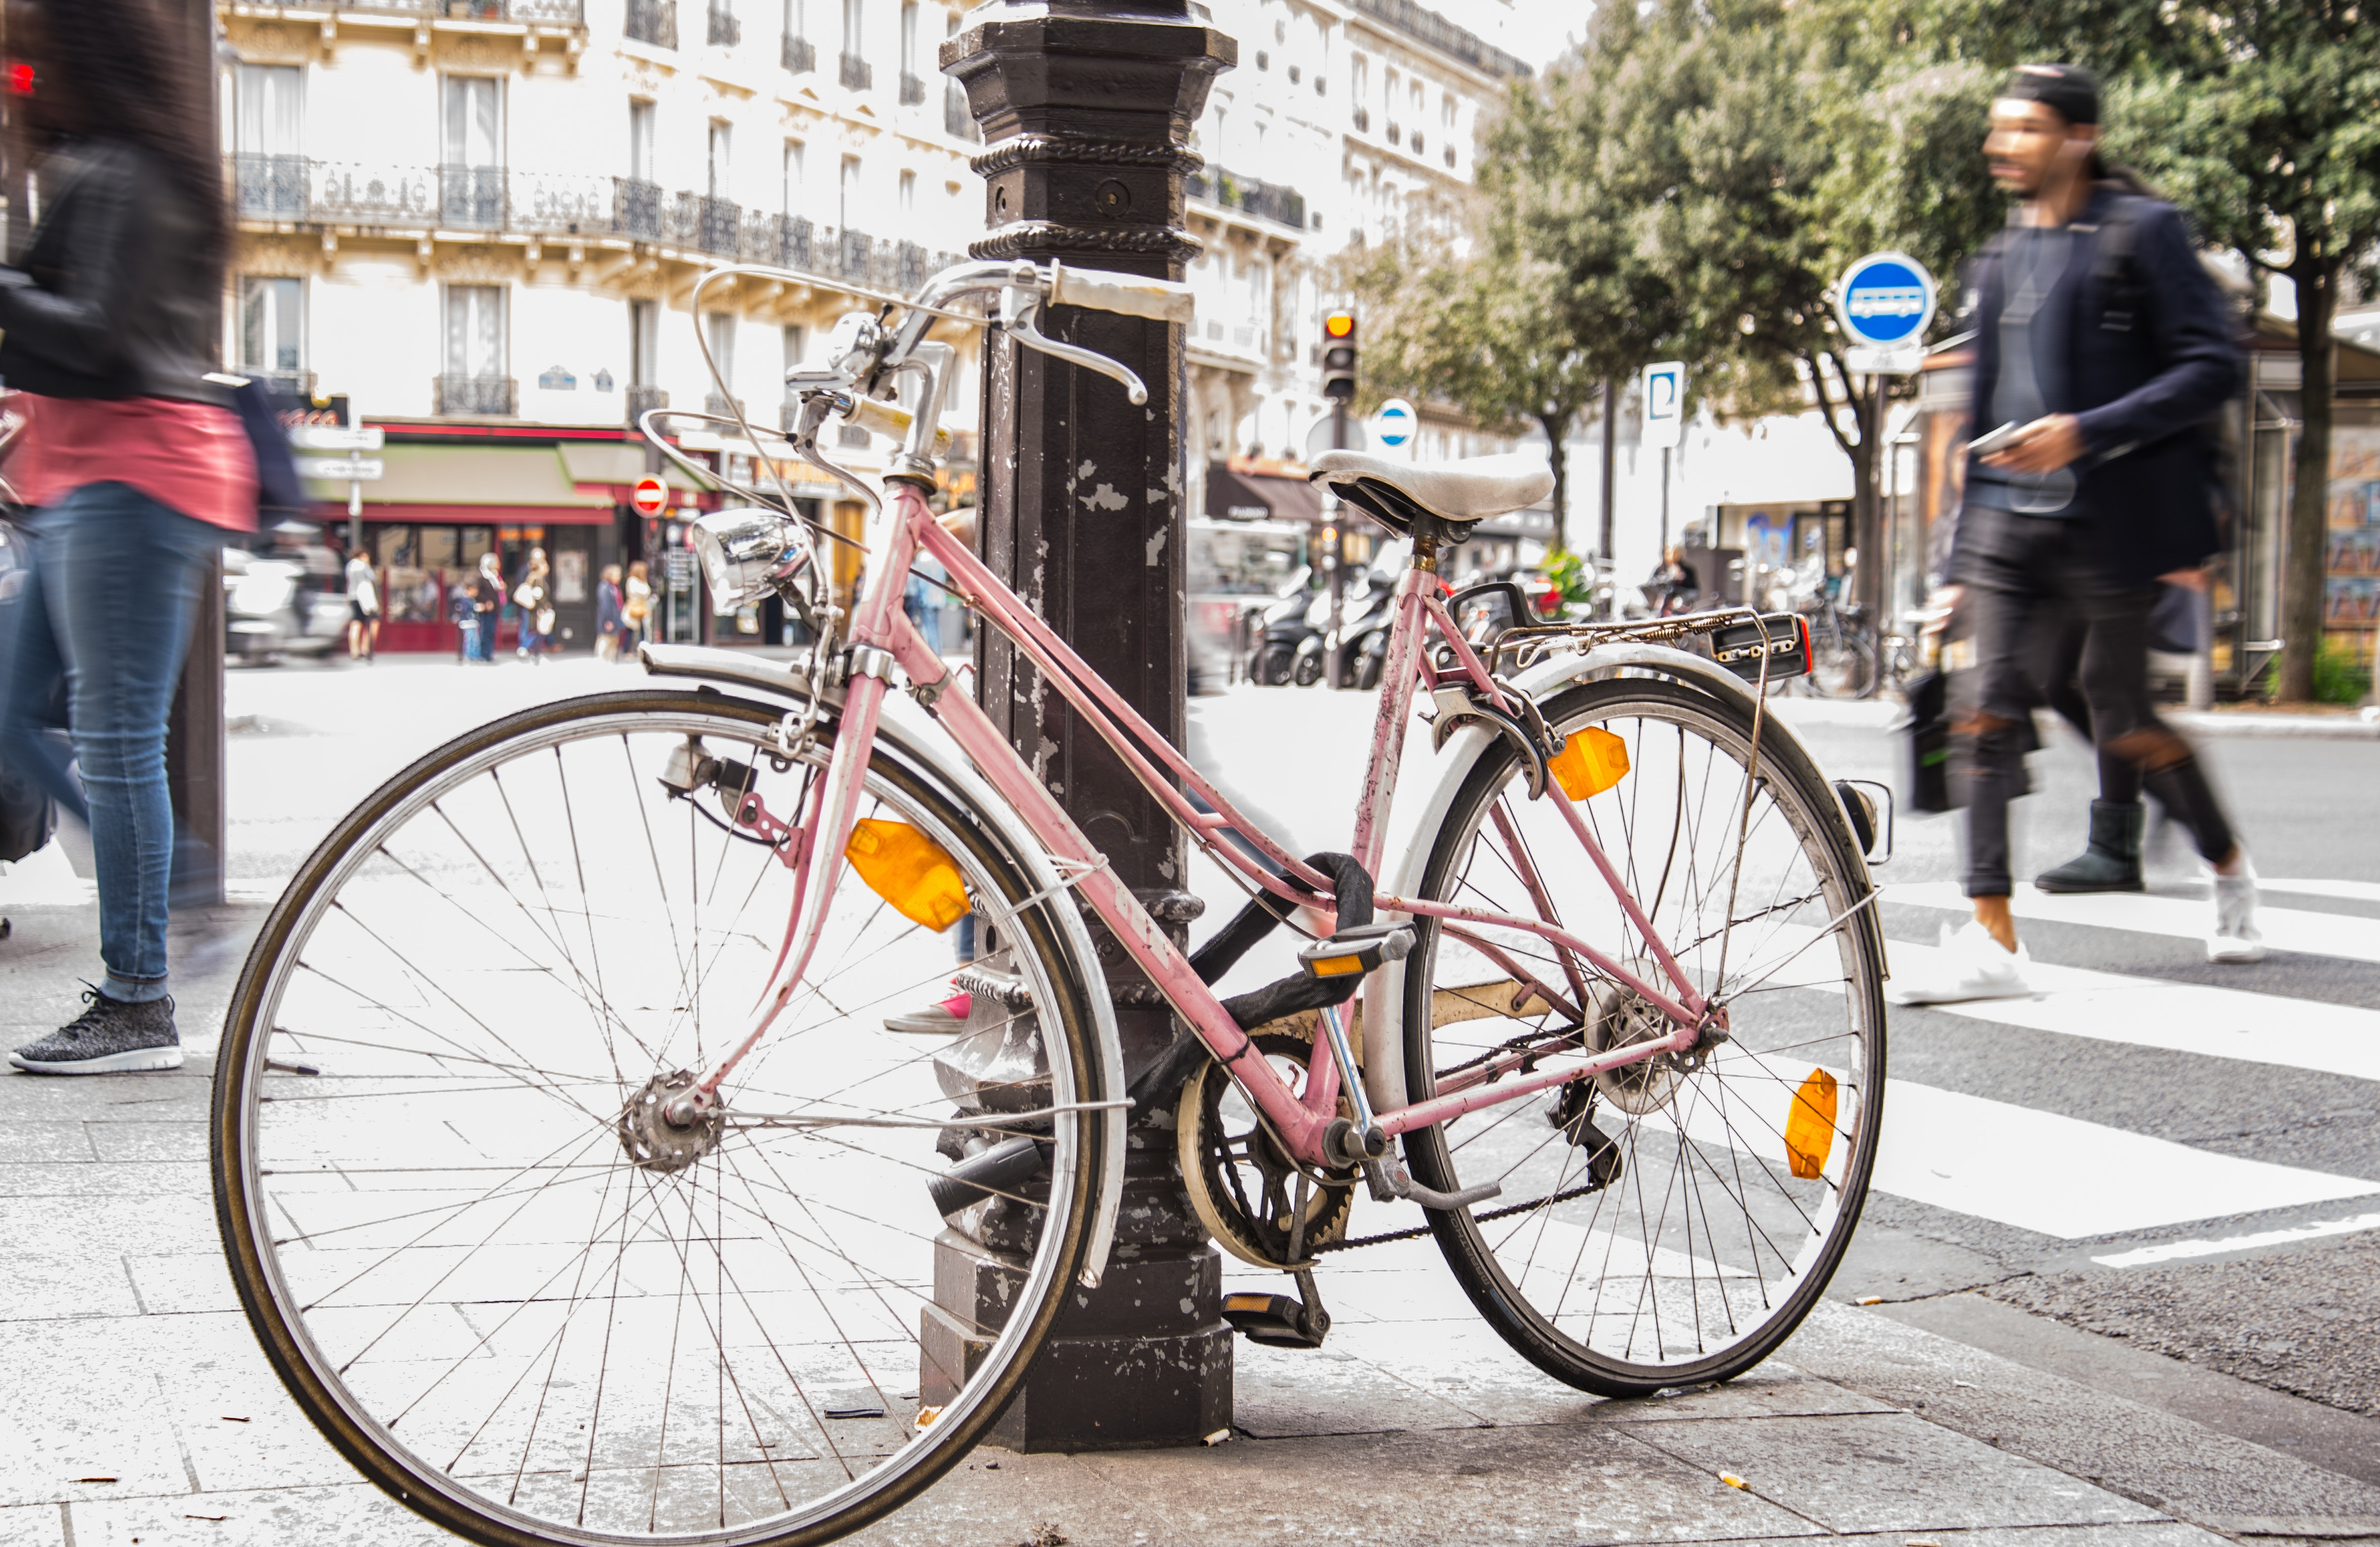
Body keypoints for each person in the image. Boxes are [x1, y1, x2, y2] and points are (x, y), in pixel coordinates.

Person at [1894, 63, 2258, 1006]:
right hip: (2010, 531)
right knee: (1983, 712)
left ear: (2078, 139)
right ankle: (1993, 938)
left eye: (2022, 129)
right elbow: (1980, 417)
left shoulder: (2142, 233)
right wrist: (1955, 562)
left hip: (2108, 521)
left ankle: (2226, 862)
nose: (1998, 145)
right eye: (1998, 129)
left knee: (2121, 716)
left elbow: (2212, 364)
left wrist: (2087, 433)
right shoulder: (2000, 257)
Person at [0, 0, 256, 1072]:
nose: (23, 79)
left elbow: (97, 335)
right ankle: (176, 886)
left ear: (74, 59)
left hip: (132, 477)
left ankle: (138, 995)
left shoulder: (128, 175)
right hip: (86, 479)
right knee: (15, 712)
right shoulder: (106, 167)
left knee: (113, 742)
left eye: (30, 62)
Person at [514, 547, 551, 662]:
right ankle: (525, 648)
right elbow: (538, 594)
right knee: (533, 629)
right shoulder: (536, 578)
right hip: (533, 609)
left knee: (534, 629)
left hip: (534, 608)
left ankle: (529, 649)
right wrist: (541, 608)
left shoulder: (538, 577)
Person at [468, 552, 504, 663]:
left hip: (494, 610)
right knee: (485, 631)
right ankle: (484, 654)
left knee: (491, 631)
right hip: (486, 610)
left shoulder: (493, 576)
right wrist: (485, 602)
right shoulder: (482, 577)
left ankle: (488, 653)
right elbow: (476, 592)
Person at [345, 545, 379, 662]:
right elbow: (373, 577)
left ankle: (354, 651)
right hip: (365, 599)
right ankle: (366, 649)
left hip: (353, 597)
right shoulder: (363, 566)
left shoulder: (350, 566)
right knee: (373, 622)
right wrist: (367, 565)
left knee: (356, 623)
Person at [1648, 545, 1699, 616]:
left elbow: (1694, 590)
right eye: (1667, 554)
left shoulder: (1686, 570)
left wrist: (1680, 578)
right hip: (1663, 602)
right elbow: (1653, 583)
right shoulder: (1661, 569)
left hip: (1680, 603)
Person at [594, 562, 626, 662]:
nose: (619, 577)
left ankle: (611, 661)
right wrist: (608, 620)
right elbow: (605, 606)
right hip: (608, 619)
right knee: (605, 641)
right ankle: (601, 660)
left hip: (615, 618)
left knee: (613, 642)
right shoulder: (604, 587)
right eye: (617, 575)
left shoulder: (614, 587)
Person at [623, 559, 653, 654]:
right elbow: (646, 591)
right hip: (635, 608)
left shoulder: (638, 581)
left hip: (641, 608)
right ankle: (628, 650)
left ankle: (641, 649)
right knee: (631, 629)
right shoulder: (633, 581)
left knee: (640, 629)